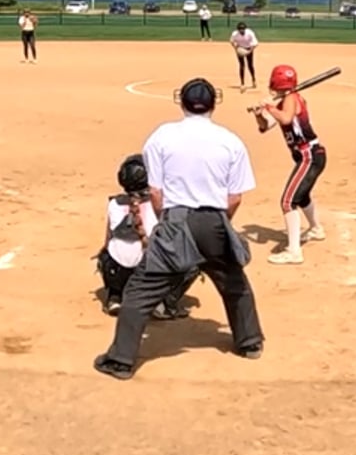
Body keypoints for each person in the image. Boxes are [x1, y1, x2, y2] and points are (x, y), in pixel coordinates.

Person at [95, 78, 264, 381]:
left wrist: (168, 223)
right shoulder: (231, 141)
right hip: (214, 219)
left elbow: (155, 192)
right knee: (233, 282)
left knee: (141, 290)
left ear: (182, 102)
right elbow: (235, 197)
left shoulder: (162, 136)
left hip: (175, 217)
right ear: (213, 104)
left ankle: (120, 360)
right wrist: (219, 222)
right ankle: (249, 342)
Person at [94, 153, 193, 319]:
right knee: (192, 259)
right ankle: (164, 304)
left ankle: (115, 297)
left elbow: (107, 241)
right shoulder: (161, 203)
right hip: (148, 269)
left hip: (119, 269)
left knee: (107, 254)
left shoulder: (114, 203)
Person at [252, 65, 328, 265]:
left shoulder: (291, 98)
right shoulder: (285, 100)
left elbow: (285, 118)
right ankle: (316, 229)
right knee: (302, 196)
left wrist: (269, 107)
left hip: (309, 155)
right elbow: (265, 127)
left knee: (288, 202)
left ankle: (294, 251)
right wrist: (259, 114)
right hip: (307, 156)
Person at [230, 21, 259, 92]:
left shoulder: (250, 33)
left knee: (250, 65)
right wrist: (236, 49)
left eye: (243, 29)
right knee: (242, 65)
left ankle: (253, 79)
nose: (241, 30)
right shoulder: (235, 34)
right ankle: (242, 83)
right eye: (240, 29)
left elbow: (255, 44)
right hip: (240, 48)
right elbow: (232, 41)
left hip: (249, 48)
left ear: (245, 29)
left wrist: (249, 52)